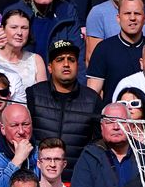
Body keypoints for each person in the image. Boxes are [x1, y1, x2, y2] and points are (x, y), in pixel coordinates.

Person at [26, 39, 101, 168]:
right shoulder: (34, 94)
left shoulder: (92, 99)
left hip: (77, 179)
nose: (66, 64)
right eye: (60, 59)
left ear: (78, 65)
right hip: (38, 177)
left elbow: (98, 143)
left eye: (71, 60)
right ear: (50, 67)